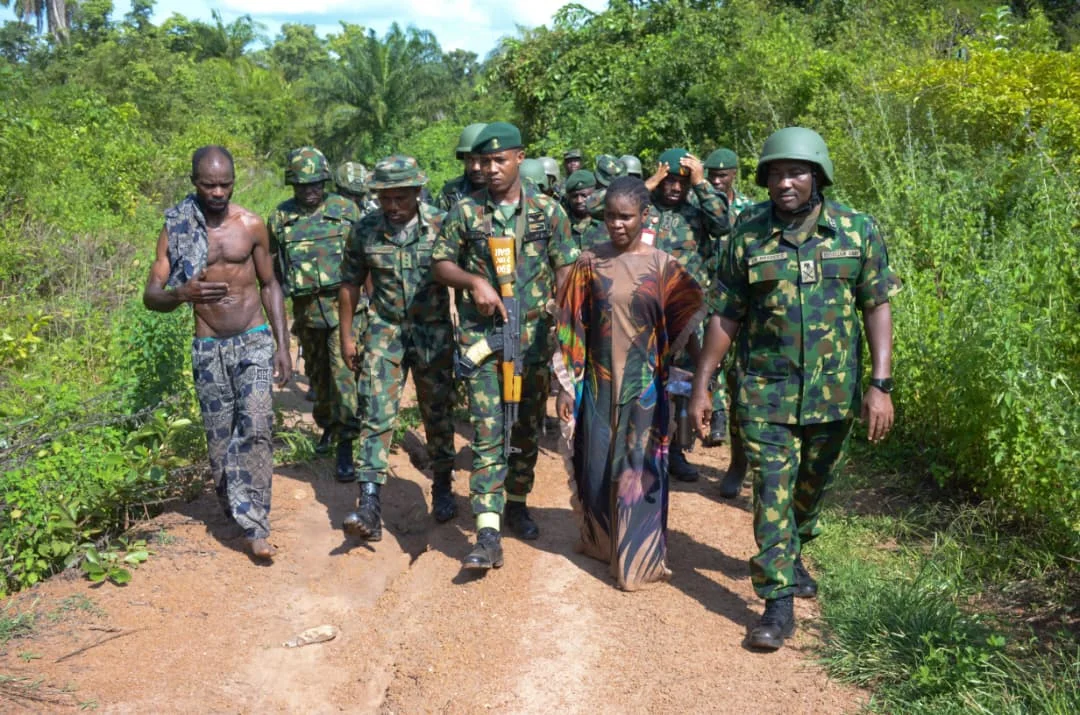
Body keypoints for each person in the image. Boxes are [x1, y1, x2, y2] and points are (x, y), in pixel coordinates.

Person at [688, 127, 900, 651]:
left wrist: (881, 384)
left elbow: (876, 305)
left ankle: (795, 546)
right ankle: (777, 601)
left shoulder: (856, 230)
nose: (785, 182)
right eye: (776, 173)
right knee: (772, 492)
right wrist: (703, 385)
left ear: (818, 175)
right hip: (764, 390)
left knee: (812, 487)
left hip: (834, 393)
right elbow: (726, 315)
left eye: (796, 172)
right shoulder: (747, 234)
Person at [433, 121, 577, 570]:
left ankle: (517, 501)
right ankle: (487, 531)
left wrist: (562, 319)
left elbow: (566, 267)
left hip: (532, 340)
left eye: (499, 160)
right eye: (483, 161)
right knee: (488, 430)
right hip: (483, 338)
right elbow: (440, 263)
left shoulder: (548, 211)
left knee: (525, 428)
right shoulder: (466, 211)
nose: (490, 169)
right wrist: (474, 281)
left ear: (519, 157)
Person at [554, 176, 705, 590]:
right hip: (600, 387)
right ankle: (602, 542)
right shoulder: (589, 263)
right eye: (609, 217)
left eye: (625, 217)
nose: (617, 225)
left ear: (644, 216)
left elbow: (688, 320)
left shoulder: (662, 266)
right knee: (598, 464)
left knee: (640, 470)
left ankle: (638, 562)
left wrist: (699, 382)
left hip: (645, 387)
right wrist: (566, 386)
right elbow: (571, 326)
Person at [143, 145, 291, 561]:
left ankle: (257, 525)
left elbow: (269, 285)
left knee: (258, 422)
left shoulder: (253, 226)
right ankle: (236, 510)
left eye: (225, 184)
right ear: (195, 183)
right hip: (209, 347)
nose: (218, 192)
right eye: (209, 185)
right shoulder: (177, 229)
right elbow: (151, 295)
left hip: (254, 340)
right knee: (220, 440)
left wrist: (282, 344)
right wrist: (180, 293)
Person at [338, 155, 458, 540]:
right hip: (384, 329)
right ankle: (369, 503)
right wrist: (346, 336)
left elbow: (465, 274)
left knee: (436, 411)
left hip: (432, 330)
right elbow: (350, 284)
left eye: (400, 198)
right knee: (375, 410)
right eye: (385, 197)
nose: (392, 206)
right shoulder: (365, 230)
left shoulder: (442, 225)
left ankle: (442, 483)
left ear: (418, 193)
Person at [269, 147, 364, 482]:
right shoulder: (281, 218)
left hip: (345, 312)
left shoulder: (346, 210)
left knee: (344, 377)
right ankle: (327, 427)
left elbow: (366, 259)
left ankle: (346, 446)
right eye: (302, 184)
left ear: (325, 181)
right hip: (307, 314)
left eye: (316, 183)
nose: (310, 190)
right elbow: (274, 274)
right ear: (292, 184)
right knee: (319, 376)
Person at [641, 147, 731, 481]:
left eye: (682, 182)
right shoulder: (643, 207)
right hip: (644, 311)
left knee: (681, 385)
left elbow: (724, 224)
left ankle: (674, 452)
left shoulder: (698, 211)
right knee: (643, 383)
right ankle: (642, 451)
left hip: (688, 315)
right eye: (670, 180)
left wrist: (702, 183)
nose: (675, 187)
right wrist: (647, 184)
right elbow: (598, 209)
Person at [438, 123, 489, 212]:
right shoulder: (451, 192)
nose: (475, 167)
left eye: (481, 160)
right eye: (470, 159)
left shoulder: (508, 191)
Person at [703, 148, 755, 219]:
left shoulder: (748, 207)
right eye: (712, 175)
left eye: (722, 176)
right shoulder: (698, 203)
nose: (716, 181)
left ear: (734, 174)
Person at [563, 169, 598, 249]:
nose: (579, 201)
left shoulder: (606, 222)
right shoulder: (561, 223)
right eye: (574, 196)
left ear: (594, 194)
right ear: (568, 197)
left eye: (584, 195)